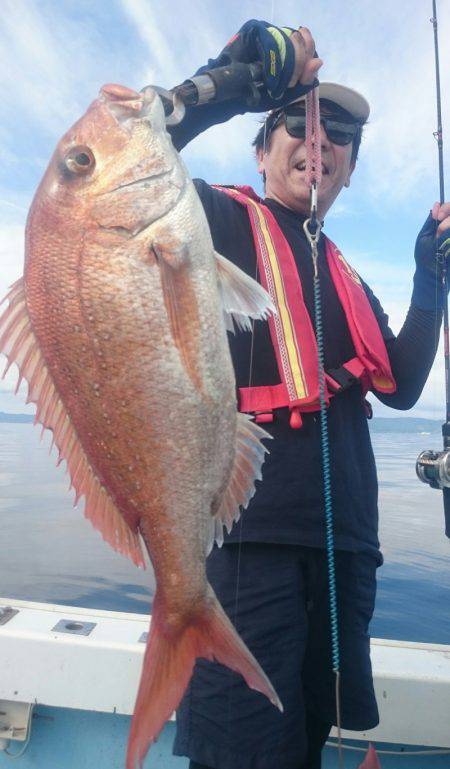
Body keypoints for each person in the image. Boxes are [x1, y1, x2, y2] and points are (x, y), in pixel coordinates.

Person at [166, 20, 450, 769]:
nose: (320, 139)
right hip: (247, 548)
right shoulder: (219, 221)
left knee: (304, 749)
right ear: (262, 151)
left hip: (346, 554)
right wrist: (224, 86)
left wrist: (429, 278)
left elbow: (401, 382)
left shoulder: (349, 275)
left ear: (350, 172)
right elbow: (129, 167)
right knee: (241, 755)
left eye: (342, 135)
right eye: (299, 121)